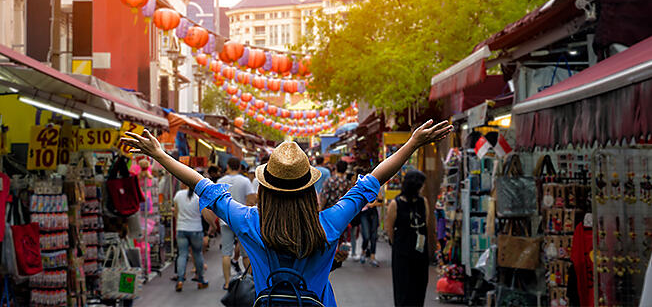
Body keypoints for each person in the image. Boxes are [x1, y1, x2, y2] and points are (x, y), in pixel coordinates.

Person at [121, 119, 451, 307]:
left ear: (266, 187)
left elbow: (204, 185)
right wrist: (412, 144)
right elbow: (373, 180)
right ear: (309, 187)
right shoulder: (328, 224)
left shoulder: (250, 222)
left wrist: (161, 156)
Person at [384, 170, 431, 307]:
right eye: (420, 185)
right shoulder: (396, 204)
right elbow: (390, 228)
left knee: (419, 287)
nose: (422, 188)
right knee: (402, 288)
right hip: (402, 253)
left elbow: (426, 224)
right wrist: (396, 244)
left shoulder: (423, 202)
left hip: (420, 253)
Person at [217, 157, 257, 289]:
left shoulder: (220, 181)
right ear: (239, 167)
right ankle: (250, 280)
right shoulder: (245, 181)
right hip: (242, 220)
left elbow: (216, 202)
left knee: (226, 253)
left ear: (228, 166)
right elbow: (251, 200)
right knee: (246, 253)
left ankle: (227, 282)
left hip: (225, 220)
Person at [173, 182, 213, 291]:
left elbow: (176, 213)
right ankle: (200, 280)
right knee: (197, 254)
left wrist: (181, 222)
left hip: (181, 228)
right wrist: (213, 225)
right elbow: (205, 214)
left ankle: (180, 280)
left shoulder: (178, 195)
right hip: (196, 229)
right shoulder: (198, 197)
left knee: (182, 254)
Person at [359, 186, 384, 266]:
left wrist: (373, 204)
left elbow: (381, 201)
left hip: (373, 213)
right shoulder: (362, 185)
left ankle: (372, 257)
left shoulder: (376, 186)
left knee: (373, 236)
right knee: (366, 235)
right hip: (364, 213)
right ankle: (363, 252)